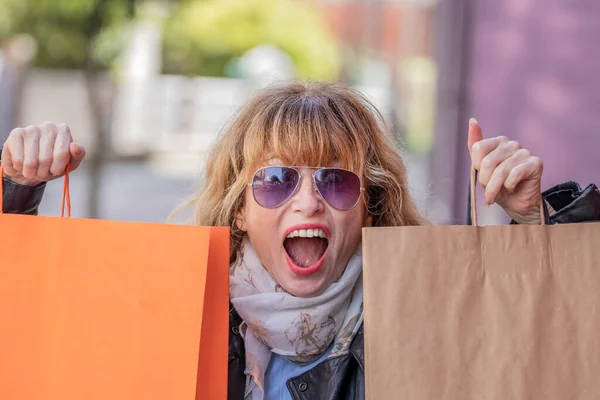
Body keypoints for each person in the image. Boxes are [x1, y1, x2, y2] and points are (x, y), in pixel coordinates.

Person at [2, 82, 600, 400]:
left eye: (337, 182)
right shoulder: (173, 316)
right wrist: (15, 192)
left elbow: (559, 350)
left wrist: (538, 221)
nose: (308, 201)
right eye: (275, 180)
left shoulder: (435, 315)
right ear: (239, 209)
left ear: (371, 208)